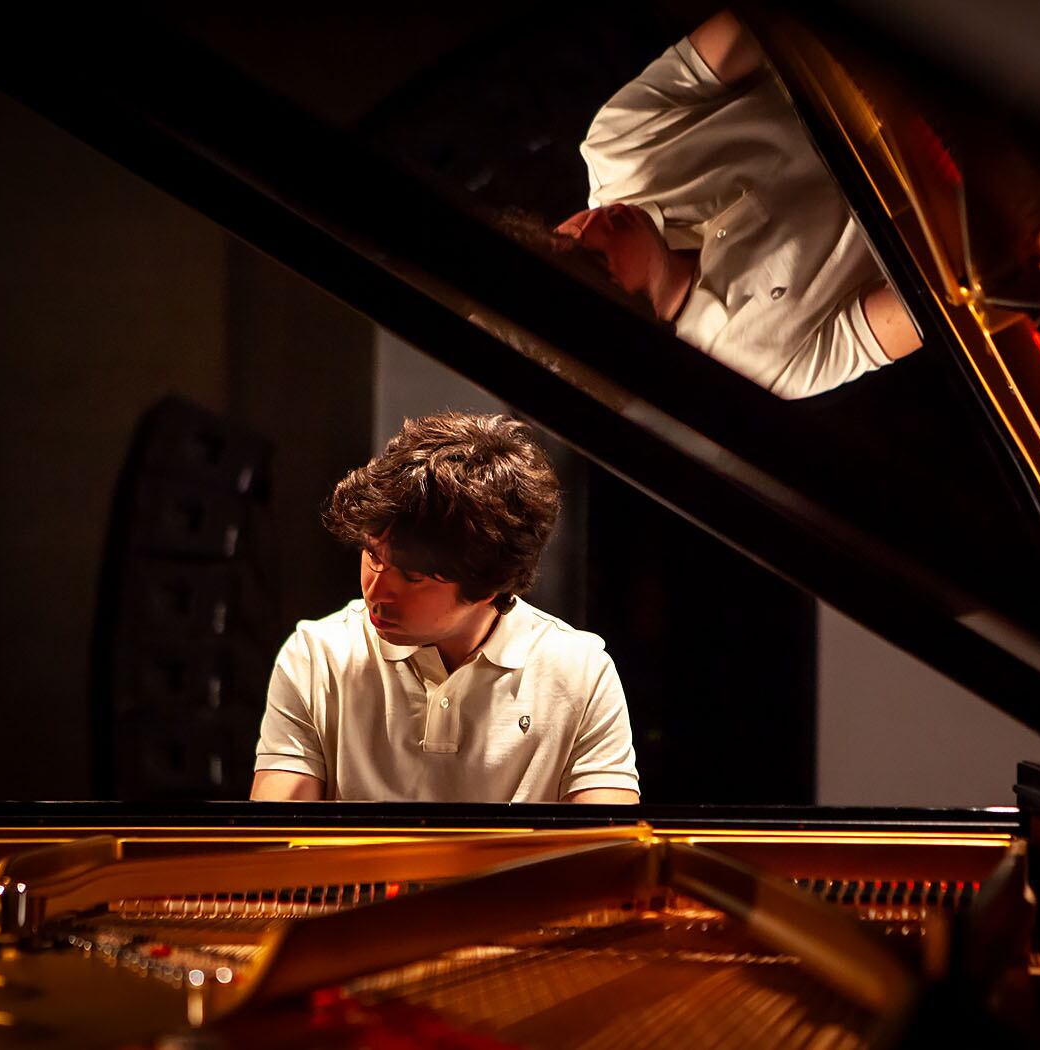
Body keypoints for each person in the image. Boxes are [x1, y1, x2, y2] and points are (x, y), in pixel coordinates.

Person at [250, 412, 640, 803]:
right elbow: (274, 834)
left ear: (488, 583)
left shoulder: (579, 672)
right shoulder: (318, 657)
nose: (376, 591)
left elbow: (606, 838)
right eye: (372, 554)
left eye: (412, 577)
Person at [555, 10, 921, 398]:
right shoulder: (756, 368)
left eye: (561, 234)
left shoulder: (614, 146)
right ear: (630, 319)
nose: (587, 224)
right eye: (595, 257)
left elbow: (761, 20)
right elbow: (925, 306)